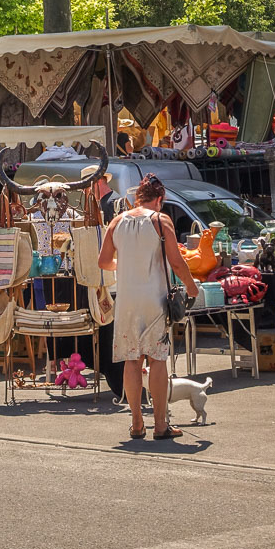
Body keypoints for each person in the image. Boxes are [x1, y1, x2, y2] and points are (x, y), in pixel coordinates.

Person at [98, 173, 199, 441]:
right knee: (156, 360)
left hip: (127, 299)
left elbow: (104, 261)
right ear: (160, 199)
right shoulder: (160, 219)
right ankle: (161, 425)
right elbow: (176, 262)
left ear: (134, 199)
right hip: (153, 299)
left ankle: (136, 424)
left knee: (132, 360)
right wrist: (191, 287)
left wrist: (126, 266)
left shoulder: (116, 221)